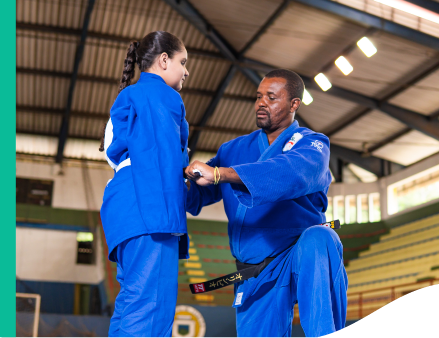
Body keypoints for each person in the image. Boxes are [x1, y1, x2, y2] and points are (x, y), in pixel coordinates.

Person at [184, 69, 347, 338]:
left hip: (299, 254)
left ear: (294, 104)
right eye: (259, 96)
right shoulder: (232, 150)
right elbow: (196, 195)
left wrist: (220, 174)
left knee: (321, 237)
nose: (261, 102)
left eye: (271, 97)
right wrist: (175, 169)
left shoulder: (312, 144)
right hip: (256, 270)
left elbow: (289, 173)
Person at [99, 31, 190, 337]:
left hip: (123, 213)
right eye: (182, 62)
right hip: (150, 212)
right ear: (164, 61)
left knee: (130, 307)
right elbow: (163, 157)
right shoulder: (163, 96)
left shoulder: (128, 96)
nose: (186, 71)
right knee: (151, 313)